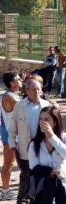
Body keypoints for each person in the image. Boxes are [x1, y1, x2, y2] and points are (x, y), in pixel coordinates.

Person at [8, 79, 51, 204]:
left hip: (42, 150)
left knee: (39, 180)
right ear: (26, 90)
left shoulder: (47, 106)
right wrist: (12, 147)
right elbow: (12, 129)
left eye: (38, 89)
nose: (37, 91)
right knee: (25, 180)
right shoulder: (19, 106)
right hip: (24, 151)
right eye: (34, 89)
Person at [28, 106, 66, 203]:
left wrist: (52, 136)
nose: (42, 122)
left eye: (46, 119)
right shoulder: (34, 143)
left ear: (55, 122)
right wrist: (51, 172)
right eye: (40, 119)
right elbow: (33, 167)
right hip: (44, 191)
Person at [0, 72, 22, 200]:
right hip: (9, 133)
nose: (21, 80)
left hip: (14, 133)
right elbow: (24, 109)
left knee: (17, 162)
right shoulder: (9, 96)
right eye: (18, 78)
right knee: (9, 162)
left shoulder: (15, 95)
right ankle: (5, 191)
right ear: (12, 83)